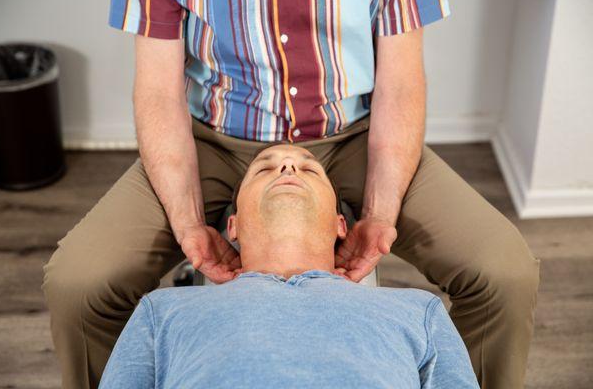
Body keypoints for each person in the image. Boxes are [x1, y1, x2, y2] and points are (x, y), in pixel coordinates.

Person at [42, 0, 540, 388]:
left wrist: (382, 211)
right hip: (212, 137)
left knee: (503, 273)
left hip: (355, 135)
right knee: (79, 283)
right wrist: (188, 220)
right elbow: (157, 91)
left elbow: (402, 85)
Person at [98, 143, 480, 388]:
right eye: (265, 168)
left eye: (309, 169)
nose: (287, 168)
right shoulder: (162, 311)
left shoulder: (417, 311)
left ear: (339, 223)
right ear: (232, 226)